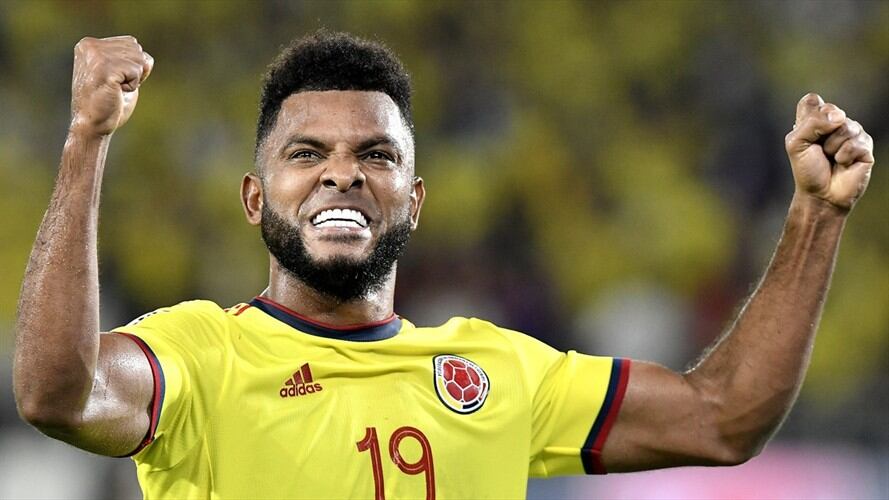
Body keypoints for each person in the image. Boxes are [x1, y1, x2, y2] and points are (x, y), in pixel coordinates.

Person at [13, 31, 875, 499]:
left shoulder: (497, 372)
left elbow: (722, 420)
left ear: (414, 199)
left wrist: (817, 214)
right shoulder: (198, 356)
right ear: (254, 198)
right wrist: (88, 141)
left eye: (375, 155)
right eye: (306, 152)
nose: (342, 171)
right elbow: (54, 394)